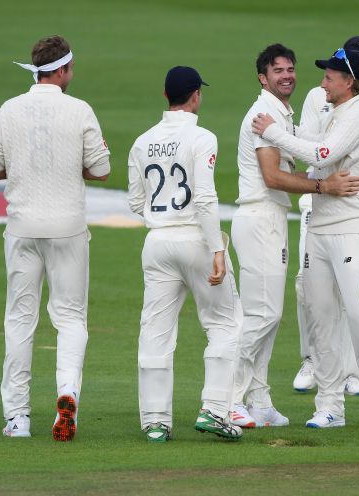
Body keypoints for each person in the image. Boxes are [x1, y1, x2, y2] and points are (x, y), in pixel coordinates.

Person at [252, 49, 359, 431]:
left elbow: (322, 152)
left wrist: (273, 132)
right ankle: (330, 405)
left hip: (353, 224)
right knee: (320, 316)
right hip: (319, 224)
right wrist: (284, 132)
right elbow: (312, 141)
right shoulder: (337, 113)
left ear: (349, 82)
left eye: (329, 77)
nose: (321, 83)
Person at [230, 44, 359, 429]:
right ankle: (226, 399)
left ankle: (258, 400)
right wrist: (324, 187)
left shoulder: (281, 114)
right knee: (262, 315)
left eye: (291, 69)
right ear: (262, 77)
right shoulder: (265, 113)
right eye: (278, 71)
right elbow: (272, 177)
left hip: (271, 218)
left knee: (269, 317)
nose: (287, 75)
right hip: (259, 218)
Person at [0, 35, 111, 441]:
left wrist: (26, 169)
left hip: (22, 227)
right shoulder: (80, 110)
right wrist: (68, 167)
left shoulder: (8, 109)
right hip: (68, 229)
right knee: (71, 318)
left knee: (20, 319)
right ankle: (66, 393)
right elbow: (101, 169)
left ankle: (17, 418)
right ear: (61, 70)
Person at [128, 66, 243, 442]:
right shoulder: (202, 137)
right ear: (195, 96)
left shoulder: (142, 142)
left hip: (157, 241)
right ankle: (213, 409)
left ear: (166, 96)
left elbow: (135, 202)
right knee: (225, 324)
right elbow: (206, 197)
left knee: (156, 333)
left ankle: (156, 422)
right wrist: (217, 249)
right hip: (195, 238)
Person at [293, 35, 359, 396]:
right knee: (310, 291)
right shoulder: (317, 95)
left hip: (353, 201)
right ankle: (315, 365)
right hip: (317, 200)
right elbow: (308, 143)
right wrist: (323, 145)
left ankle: (357, 374)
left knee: (354, 297)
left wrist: (348, 139)